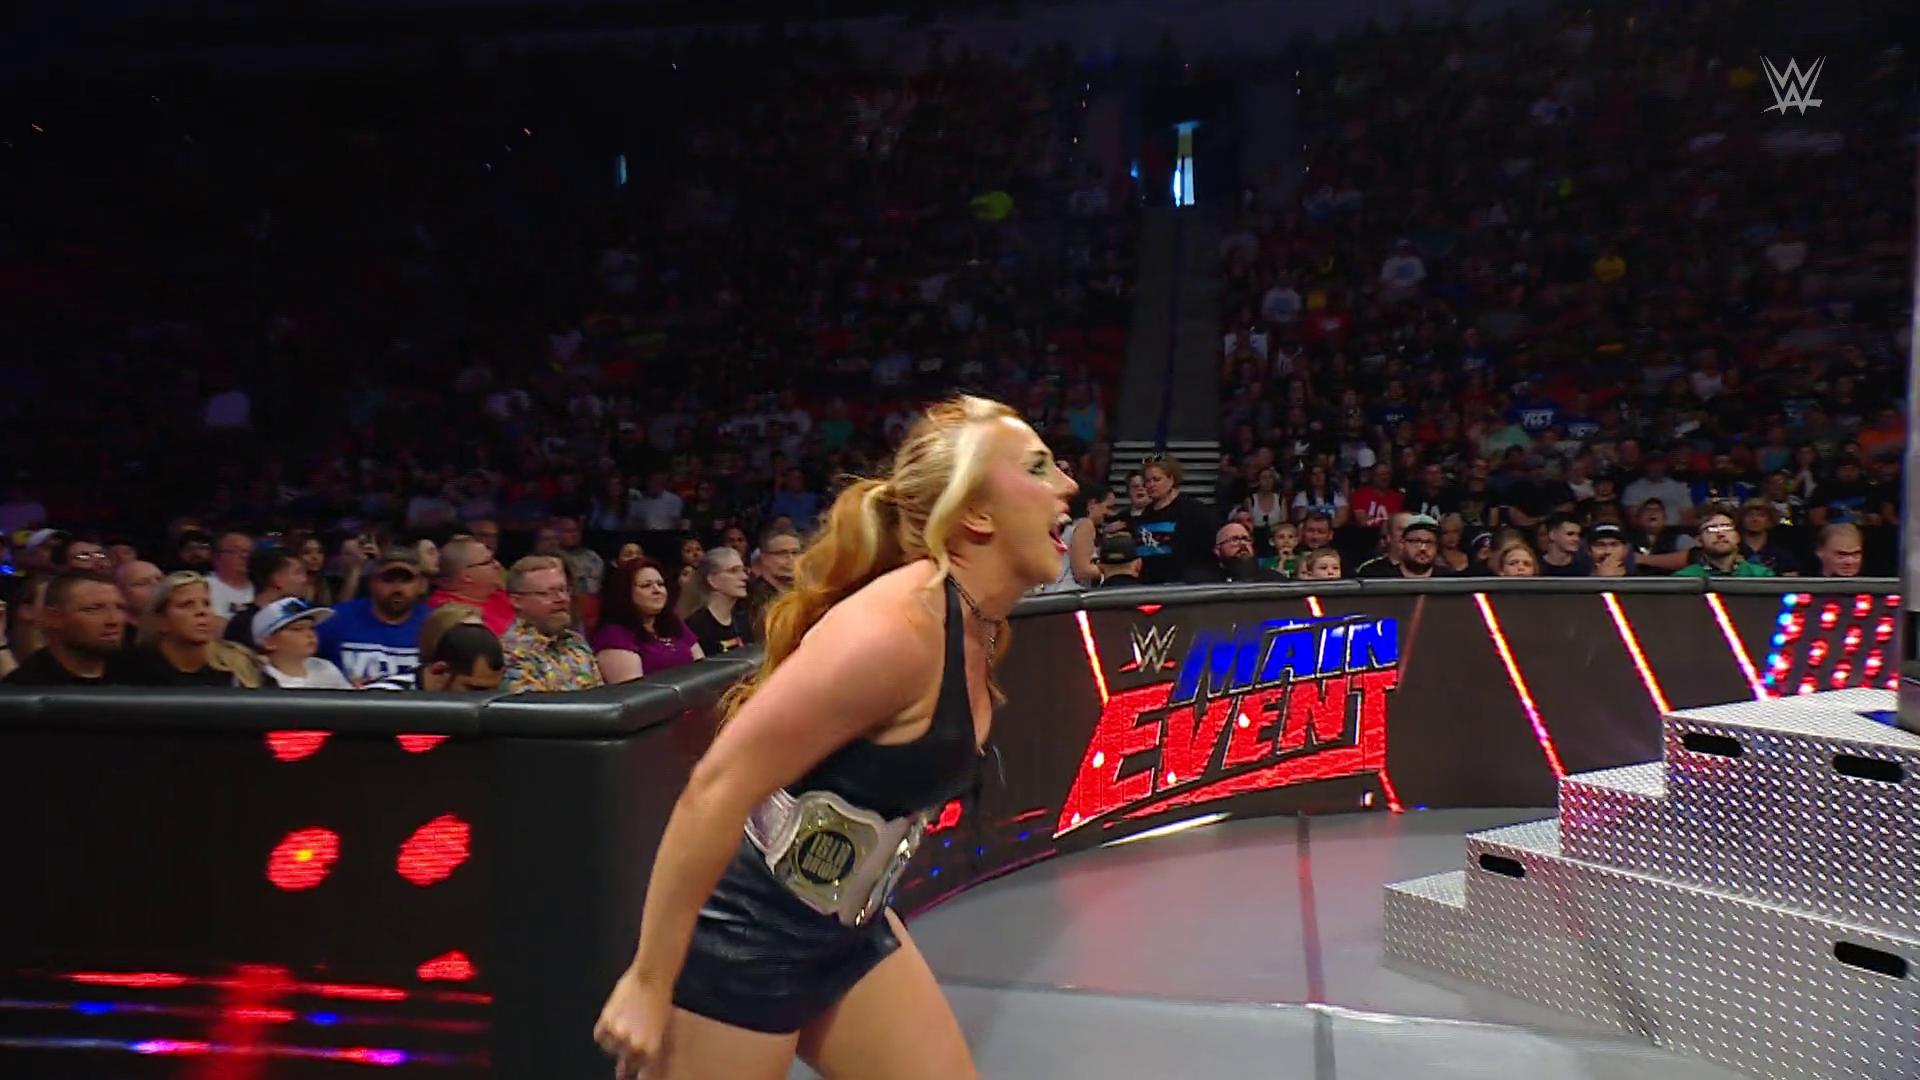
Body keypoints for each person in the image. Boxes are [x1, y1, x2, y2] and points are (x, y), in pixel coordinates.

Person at [594, 395, 1075, 1080]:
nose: (1067, 484)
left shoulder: (976, 623)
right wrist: (649, 982)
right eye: (1038, 467)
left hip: (846, 924)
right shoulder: (894, 630)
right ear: (976, 513)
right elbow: (715, 787)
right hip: (744, 937)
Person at [593, 557, 704, 683]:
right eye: (646, 586)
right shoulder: (614, 636)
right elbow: (634, 691)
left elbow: (702, 666)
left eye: (660, 584)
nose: (657, 590)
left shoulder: (673, 623)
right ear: (625, 592)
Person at [3, 570, 124, 685]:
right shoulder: (21, 690)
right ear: (53, 617)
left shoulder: (133, 675)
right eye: (93, 609)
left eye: (120, 608)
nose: (114, 620)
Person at [252, 598, 352, 689]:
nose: (310, 634)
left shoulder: (324, 667)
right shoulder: (259, 676)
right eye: (297, 629)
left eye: (311, 628)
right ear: (268, 642)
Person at [683, 547, 755, 656]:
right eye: (734, 571)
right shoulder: (695, 627)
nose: (744, 577)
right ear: (712, 581)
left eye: (743, 570)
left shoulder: (744, 620)